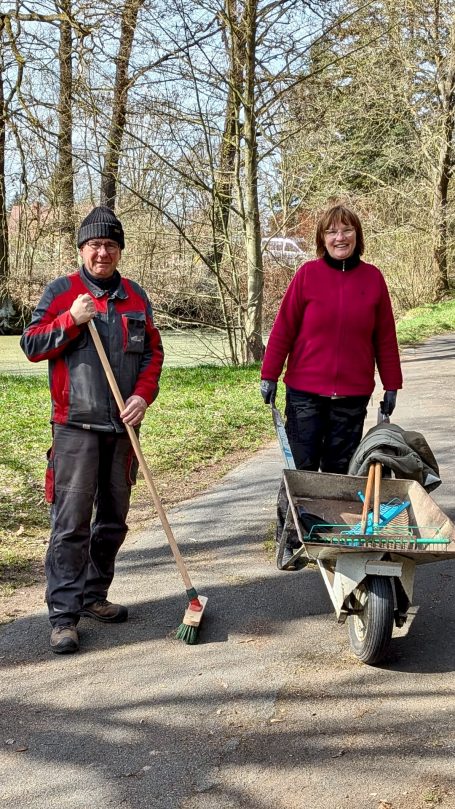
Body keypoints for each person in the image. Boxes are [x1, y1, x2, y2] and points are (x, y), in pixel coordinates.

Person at [21, 206, 164, 654]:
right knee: (70, 524)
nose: (102, 252)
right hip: (74, 428)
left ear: (119, 250)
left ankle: (92, 595)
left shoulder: (135, 297)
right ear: (82, 249)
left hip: (122, 427)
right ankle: (63, 616)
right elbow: (31, 344)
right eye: (94, 244)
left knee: (113, 522)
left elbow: (152, 355)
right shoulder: (63, 292)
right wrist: (71, 320)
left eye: (110, 245)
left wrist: (143, 396)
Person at [260, 203, 403, 568]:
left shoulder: (373, 280)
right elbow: (283, 329)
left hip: (352, 395)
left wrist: (392, 384)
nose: (340, 237)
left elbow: (385, 337)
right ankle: (291, 538)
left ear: (357, 235)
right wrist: (269, 374)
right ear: (323, 239)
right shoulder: (307, 276)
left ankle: (328, 536)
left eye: (347, 230)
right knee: (303, 468)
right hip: (306, 392)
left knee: (340, 472)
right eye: (332, 232)